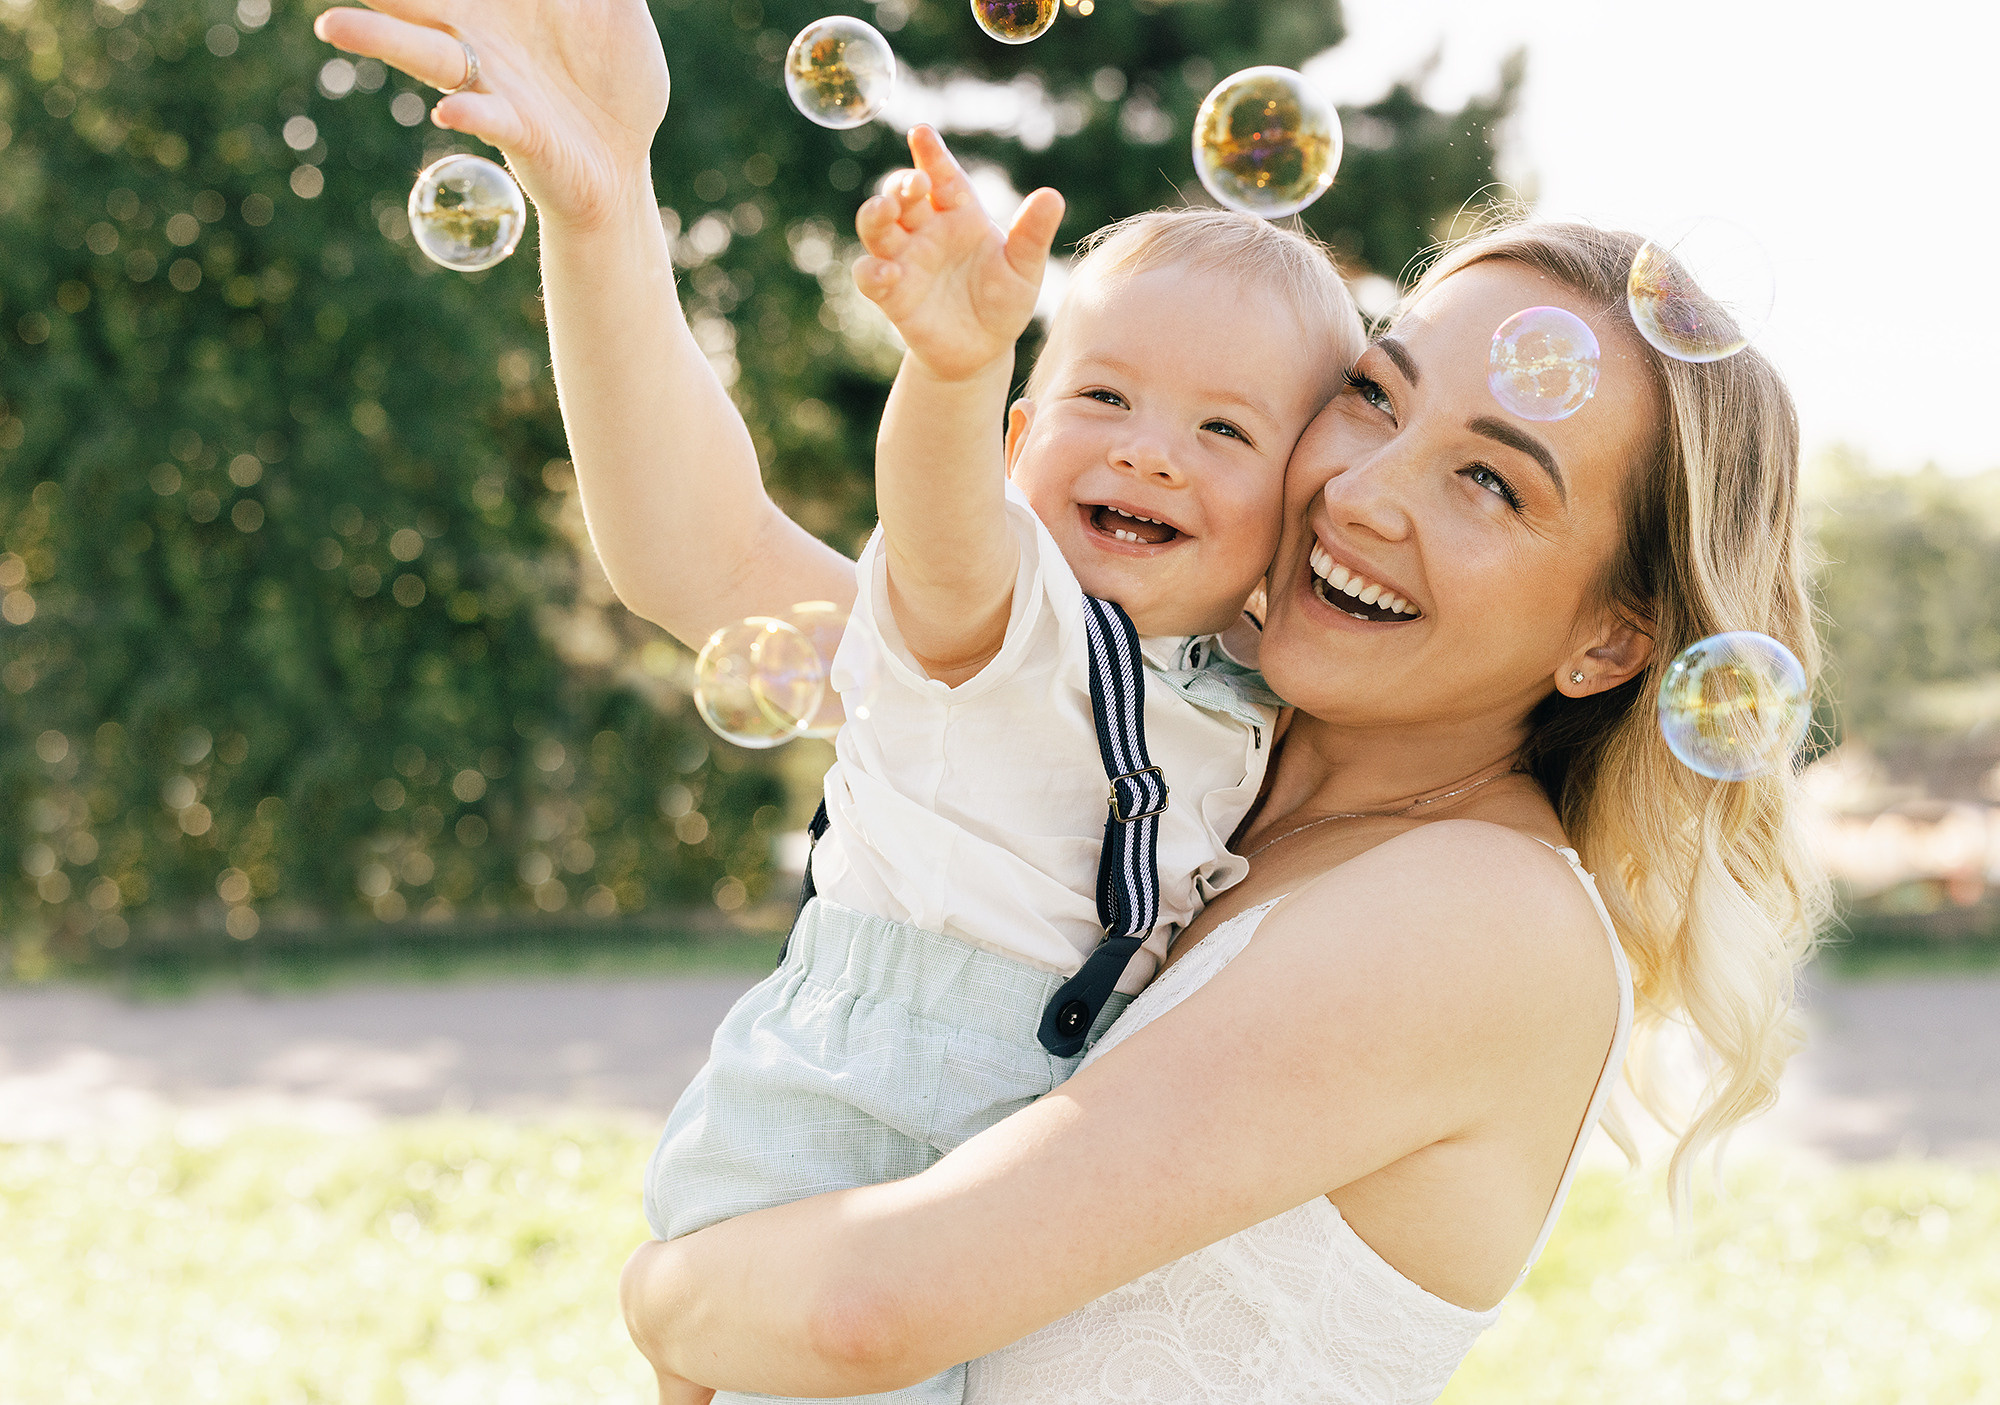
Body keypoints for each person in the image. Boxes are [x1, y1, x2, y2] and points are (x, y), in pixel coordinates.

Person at [310, 3, 1826, 1399]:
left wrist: (662, 1294)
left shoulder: (1485, 916)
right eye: (1376, 392)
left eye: (1492, 477)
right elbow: (706, 561)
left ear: (1613, 642)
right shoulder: (1164, 723)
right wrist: (602, 197)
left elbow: (862, 1312)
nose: (1364, 489)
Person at [637, 126, 1354, 1405]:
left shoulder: (1248, 687)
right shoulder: (1003, 615)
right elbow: (941, 523)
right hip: (853, 1118)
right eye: (1103, 398)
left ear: (1292, 512)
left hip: (1021, 1157)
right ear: (1019, 443)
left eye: (1223, 430)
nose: (1147, 450)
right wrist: (953, 370)